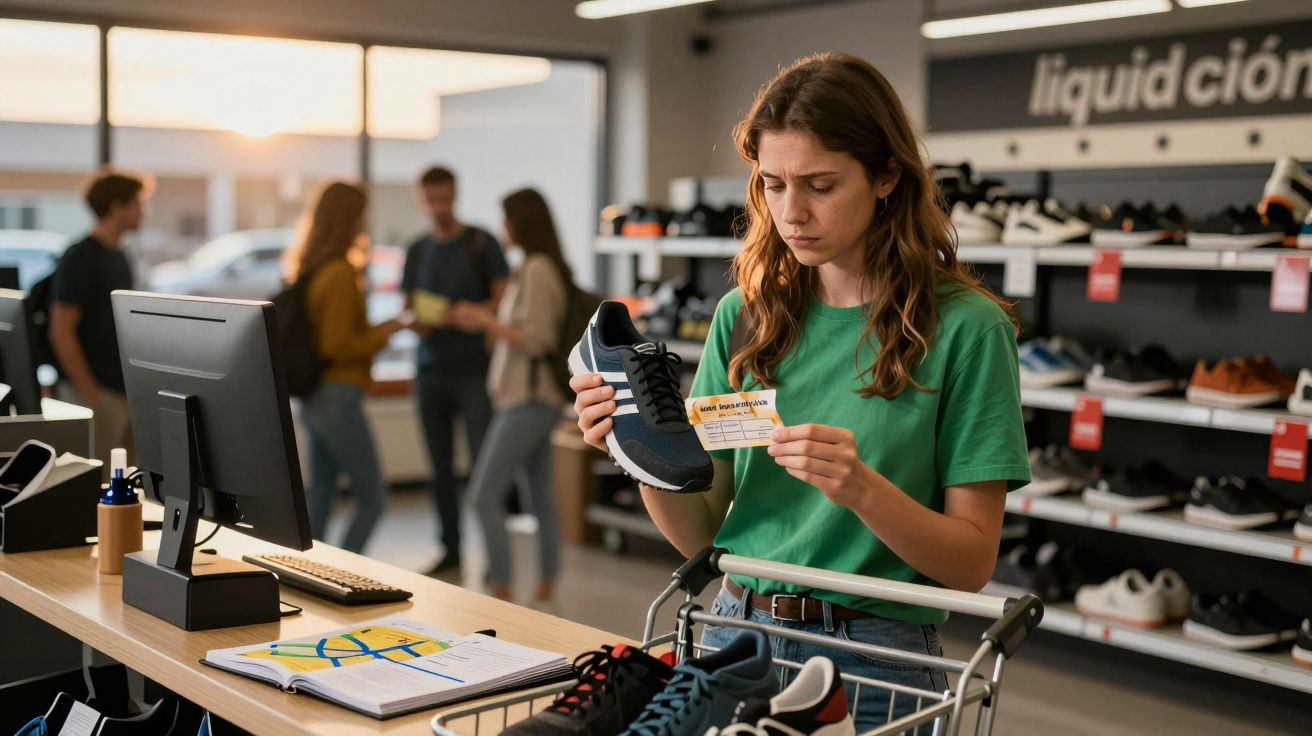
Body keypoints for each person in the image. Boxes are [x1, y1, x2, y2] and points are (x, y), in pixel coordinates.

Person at [569, 53, 1029, 730]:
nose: (792, 212)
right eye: (773, 183)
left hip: (877, 662)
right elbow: (702, 532)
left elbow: (970, 563)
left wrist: (861, 489)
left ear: (886, 176)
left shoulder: (967, 329)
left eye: (820, 185)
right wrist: (636, 450)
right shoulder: (746, 317)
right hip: (735, 635)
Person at [448, 188, 570, 604]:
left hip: (529, 400)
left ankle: (500, 584)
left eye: (506, 219)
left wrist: (487, 321)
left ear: (520, 223)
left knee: (482, 496)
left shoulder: (537, 269)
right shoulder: (534, 267)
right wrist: (485, 321)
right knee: (539, 497)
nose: (502, 227)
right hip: (527, 399)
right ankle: (546, 582)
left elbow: (537, 339)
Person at [285, 181, 410, 554]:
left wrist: (385, 328)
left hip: (315, 397)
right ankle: (346, 570)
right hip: (337, 396)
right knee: (373, 498)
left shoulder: (311, 267)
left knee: (321, 495)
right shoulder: (339, 272)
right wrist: (386, 332)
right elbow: (337, 345)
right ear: (350, 218)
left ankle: (311, 570)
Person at [402, 166, 511, 576]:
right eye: (431, 200)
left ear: (455, 194)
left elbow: (503, 300)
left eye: (444, 198)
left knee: (484, 467)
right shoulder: (417, 250)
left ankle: (495, 558)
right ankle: (451, 549)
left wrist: (475, 315)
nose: (438, 207)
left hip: (475, 372)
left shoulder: (481, 242)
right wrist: (418, 319)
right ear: (420, 199)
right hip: (429, 371)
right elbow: (408, 305)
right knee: (439, 469)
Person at [50, 171, 149, 471]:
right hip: (93, 394)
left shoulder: (120, 256)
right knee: (95, 484)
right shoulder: (81, 257)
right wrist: (92, 395)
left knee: (128, 482)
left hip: (121, 393)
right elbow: (61, 331)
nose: (143, 211)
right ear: (117, 207)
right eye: (137, 203)